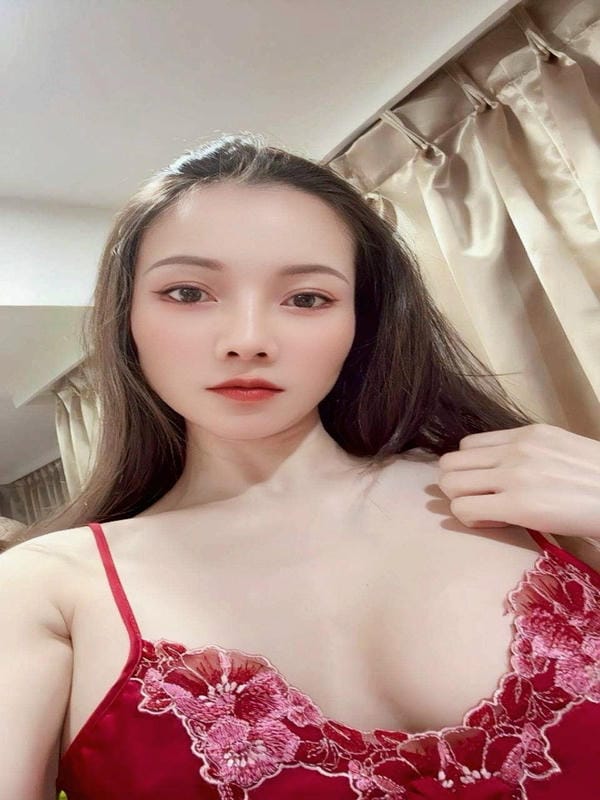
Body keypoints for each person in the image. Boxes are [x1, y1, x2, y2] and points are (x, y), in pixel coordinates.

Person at [1, 133, 599, 800]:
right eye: (188, 292)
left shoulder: (523, 488)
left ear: (361, 320)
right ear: (127, 321)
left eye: (307, 298)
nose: (248, 340)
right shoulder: (49, 589)